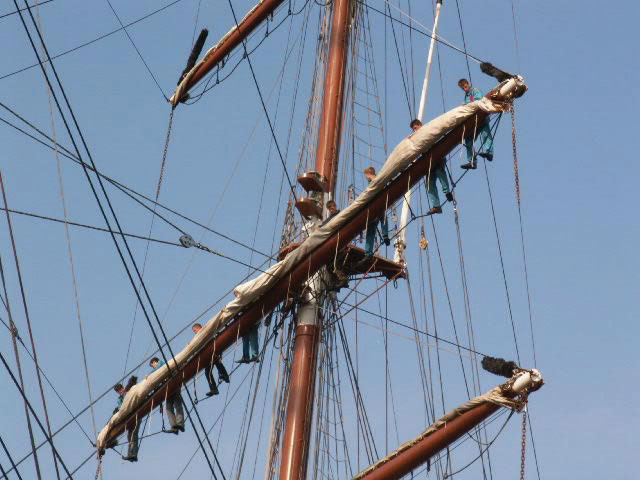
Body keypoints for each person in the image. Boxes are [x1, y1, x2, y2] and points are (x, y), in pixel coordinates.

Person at [409, 119, 453, 215]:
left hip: (436, 157)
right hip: (427, 163)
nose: (415, 130)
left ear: (420, 125)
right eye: (413, 129)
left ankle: (447, 192)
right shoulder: (416, 137)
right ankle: (436, 206)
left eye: (415, 128)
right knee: (429, 185)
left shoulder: (428, 130)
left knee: (440, 173)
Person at [458, 78, 494, 169]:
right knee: (468, 139)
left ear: (468, 84)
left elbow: (478, 101)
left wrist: (466, 105)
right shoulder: (466, 96)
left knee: (485, 133)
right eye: (462, 88)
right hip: (473, 121)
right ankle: (472, 161)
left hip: (481, 117)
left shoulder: (475, 91)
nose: (464, 88)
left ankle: (489, 152)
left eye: (465, 86)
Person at [192, 323, 230, 396]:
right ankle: (223, 378)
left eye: (194, 330)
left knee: (211, 367)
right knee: (214, 365)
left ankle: (215, 388)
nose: (195, 332)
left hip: (211, 351)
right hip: (209, 353)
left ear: (198, 328)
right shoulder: (204, 332)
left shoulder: (203, 332)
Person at [149, 357, 185, 434]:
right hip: (167, 389)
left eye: (152, 365)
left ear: (155, 362)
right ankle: (174, 426)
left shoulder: (161, 363)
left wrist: (149, 375)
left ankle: (180, 423)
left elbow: (158, 369)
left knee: (177, 405)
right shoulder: (157, 370)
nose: (153, 367)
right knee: (168, 408)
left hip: (173, 384)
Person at [363, 167, 390, 257]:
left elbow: (377, 182)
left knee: (382, 219)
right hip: (374, 207)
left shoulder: (376, 179)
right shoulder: (371, 182)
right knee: (371, 229)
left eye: (366, 175)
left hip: (376, 204)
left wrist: (371, 177)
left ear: (368, 173)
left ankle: (385, 235)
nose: (366, 177)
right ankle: (368, 252)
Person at [114, 380, 139, 462]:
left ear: (123, 388)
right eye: (118, 391)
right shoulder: (120, 399)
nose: (120, 392)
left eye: (120, 390)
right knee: (130, 436)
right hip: (128, 418)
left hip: (136, 414)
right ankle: (131, 455)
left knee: (133, 434)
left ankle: (133, 454)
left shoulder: (129, 391)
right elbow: (121, 408)